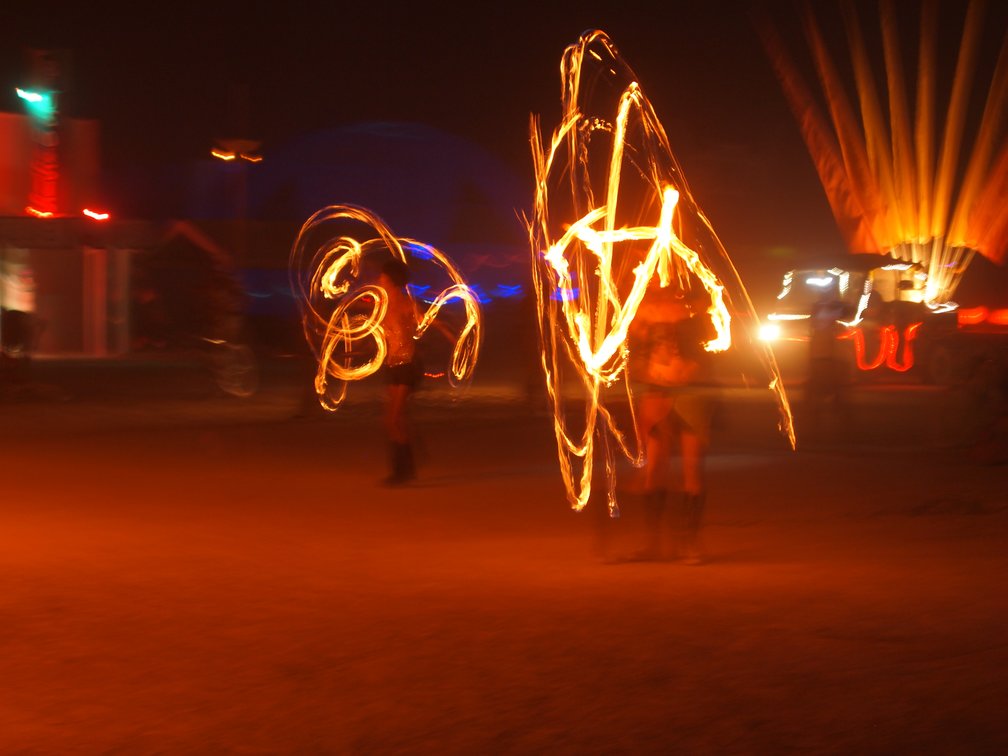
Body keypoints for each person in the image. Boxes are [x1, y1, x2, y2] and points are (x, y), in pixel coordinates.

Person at [629, 281, 716, 563]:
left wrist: (692, 367)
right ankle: (652, 544)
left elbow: (712, 350)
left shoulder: (695, 308)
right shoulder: (641, 310)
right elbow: (631, 353)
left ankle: (689, 544)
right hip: (656, 393)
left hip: (690, 395)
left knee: (691, 470)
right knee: (653, 469)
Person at [378, 257, 423, 485]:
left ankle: (405, 472)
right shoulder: (382, 306)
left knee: (394, 419)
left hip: (407, 367)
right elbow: (377, 336)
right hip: (391, 366)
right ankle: (403, 471)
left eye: (383, 275)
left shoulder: (407, 304)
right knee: (392, 421)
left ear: (391, 279)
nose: (379, 279)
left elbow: (423, 325)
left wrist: (443, 328)